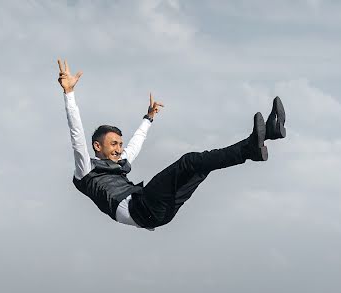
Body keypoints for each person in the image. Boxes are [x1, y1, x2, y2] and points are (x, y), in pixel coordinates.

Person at [57, 58, 286, 230]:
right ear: (98, 147)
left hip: (158, 211)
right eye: (114, 144)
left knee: (201, 165)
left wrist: (148, 118)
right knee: (189, 161)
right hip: (142, 207)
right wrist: (69, 93)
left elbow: (135, 144)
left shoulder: (120, 163)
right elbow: (76, 134)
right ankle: (252, 148)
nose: (119, 149)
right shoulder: (85, 170)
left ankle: (266, 137)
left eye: (120, 144)